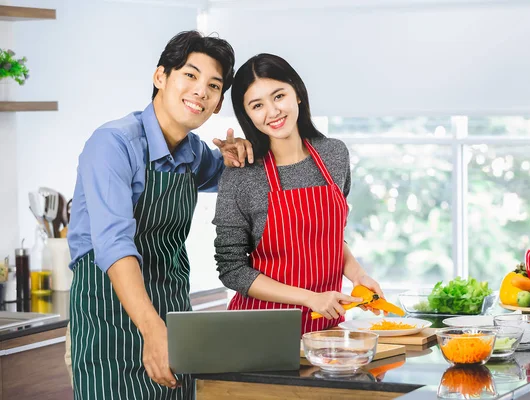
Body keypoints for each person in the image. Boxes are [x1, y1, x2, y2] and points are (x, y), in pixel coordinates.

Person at [67, 30, 253, 399]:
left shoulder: (193, 153)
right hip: (110, 327)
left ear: (217, 105)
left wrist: (238, 155)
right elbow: (114, 245)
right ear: (160, 77)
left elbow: (223, 171)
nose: (201, 91)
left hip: (172, 318)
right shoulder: (113, 144)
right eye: (190, 75)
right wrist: (152, 332)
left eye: (213, 86)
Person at [213, 53, 384, 334]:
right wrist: (309, 298)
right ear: (248, 115)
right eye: (257, 105)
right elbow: (232, 270)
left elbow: (328, 238)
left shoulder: (334, 155)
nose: (272, 111)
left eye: (278, 96)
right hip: (259, 333)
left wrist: (358, 275)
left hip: (326, 332)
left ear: (298, 94)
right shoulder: (241, 175)